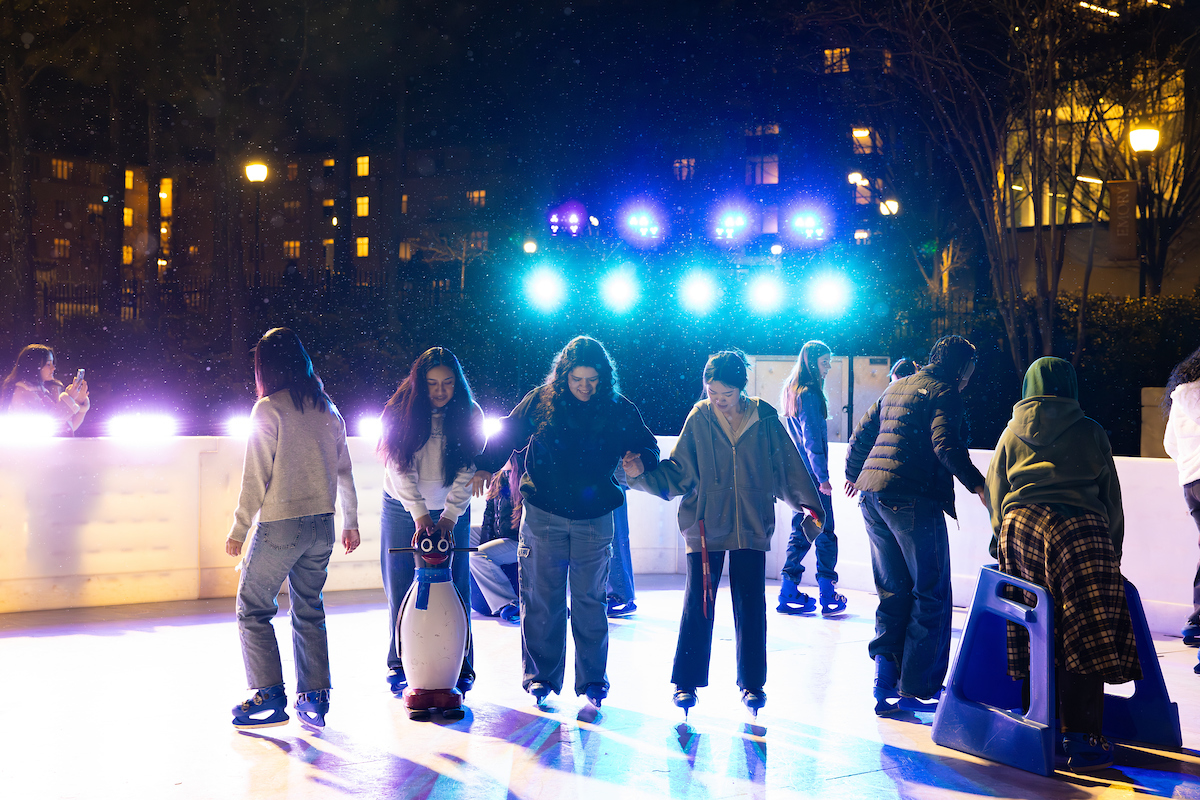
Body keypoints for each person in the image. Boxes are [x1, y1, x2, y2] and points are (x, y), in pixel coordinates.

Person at [624, 349, 824, 715]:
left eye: (726, 395)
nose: (718, 400)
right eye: (712, 392)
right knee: (698, 605)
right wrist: (639, 476)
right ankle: (686, 683)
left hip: (751, 524)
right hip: (704, 526)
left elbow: (787, 467)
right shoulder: (700, 418)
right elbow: (679, 471)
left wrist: (809, 505)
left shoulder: (764, 417)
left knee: (751, 605)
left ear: (741, 390)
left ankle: (752, 685)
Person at [474, 335, 659, 708]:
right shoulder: (541, 401)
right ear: (564, 377)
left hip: (595, 519)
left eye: (592, 380)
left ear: (603, 378)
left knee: (592, 600)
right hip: (544, 515)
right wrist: (483, 464)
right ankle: (540, 677)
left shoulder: (617, 407)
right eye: (578, 380)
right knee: (542, 599)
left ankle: (593, 680)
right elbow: (507, 434)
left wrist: (642, 460)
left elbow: (649, 445)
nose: (585, 388)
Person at [986, 357, 1138, 772]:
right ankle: (1083, 739)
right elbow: (1111, 497)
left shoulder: (1009, 431)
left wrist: (1000, 539)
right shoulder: (1090, 430)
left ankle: (1037, 726)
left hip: (1023, 530)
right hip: (1080, 531)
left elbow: (995, 490)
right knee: (1085, 629)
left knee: (1033, 626)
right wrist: (1113, 552)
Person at [844, 335, 986, 716]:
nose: (971, 378)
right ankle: (919, 686)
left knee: (893, 591)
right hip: (912, 498)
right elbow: (945, 444)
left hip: (872, 499)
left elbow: (861, 436)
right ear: (962, 367)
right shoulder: (945, 391)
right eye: (970, 369)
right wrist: (978, 484)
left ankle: (884, 682)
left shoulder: (898, 386)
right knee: (931, 591)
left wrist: (855, 474)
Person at [226, 327, 360, 729]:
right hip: (322, 526)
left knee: (252, 608)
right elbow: (346, 473)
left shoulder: (268, 409)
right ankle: (314, 697)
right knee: (309, 608)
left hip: (281, 526)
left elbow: (256, 477)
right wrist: (350, 522)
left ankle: (267, 695)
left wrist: (239, 529)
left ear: (265, 367)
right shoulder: (328, 410)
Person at [378, 347, 485, 697]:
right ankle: (400, 663)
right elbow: (399, 468)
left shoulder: (471, 414)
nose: (440, 391)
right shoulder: (398, 412)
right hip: (401, 505)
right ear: (418, 384)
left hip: (451, 508)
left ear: (459, 384)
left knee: (458, 585)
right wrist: (420, 514)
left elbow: (468, 470)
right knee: (401, 584)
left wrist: (450, 517)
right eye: (432, 384)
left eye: (448, 384)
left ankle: (462, 663)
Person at [777, 340, 846, 616]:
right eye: (824, 362)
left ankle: (788, 589)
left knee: (803, 530)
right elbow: (811, 440)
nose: (828, 368)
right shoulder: (810, 394)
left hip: (797, 476)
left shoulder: (792, 392)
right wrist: (823, 478)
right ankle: (828, 594)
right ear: (811, 362)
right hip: (812, 478)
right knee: (825, 533)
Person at [1164, 345, 1200, 648]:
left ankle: (1196, 623)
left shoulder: (1182, 394)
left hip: (1191, 484)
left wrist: (1190, 465)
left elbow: (1169, 443)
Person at [469, 454, 523, 624]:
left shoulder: (524, 480)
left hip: (519, 540)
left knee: (476, 555)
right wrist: (486, 542)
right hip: (503, 537)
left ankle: (508, 602)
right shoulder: (498, 477)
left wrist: (485, 551)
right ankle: (458, 586)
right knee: (466, 533)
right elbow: (489, 515)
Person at [1, 344, 90, 434]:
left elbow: (67, 427)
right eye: (48, 364)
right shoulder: (23, 394)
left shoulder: (43, 391)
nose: (53, 368)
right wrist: (69, 399)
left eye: (52, 363)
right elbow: (45, 429)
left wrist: (78, 401)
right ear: (33, 366)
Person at [605, 464, 638, 617]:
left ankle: (620, 595)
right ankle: (620, 595)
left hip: (609, 476)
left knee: (615, 537)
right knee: (616, 537)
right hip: (608, 475)